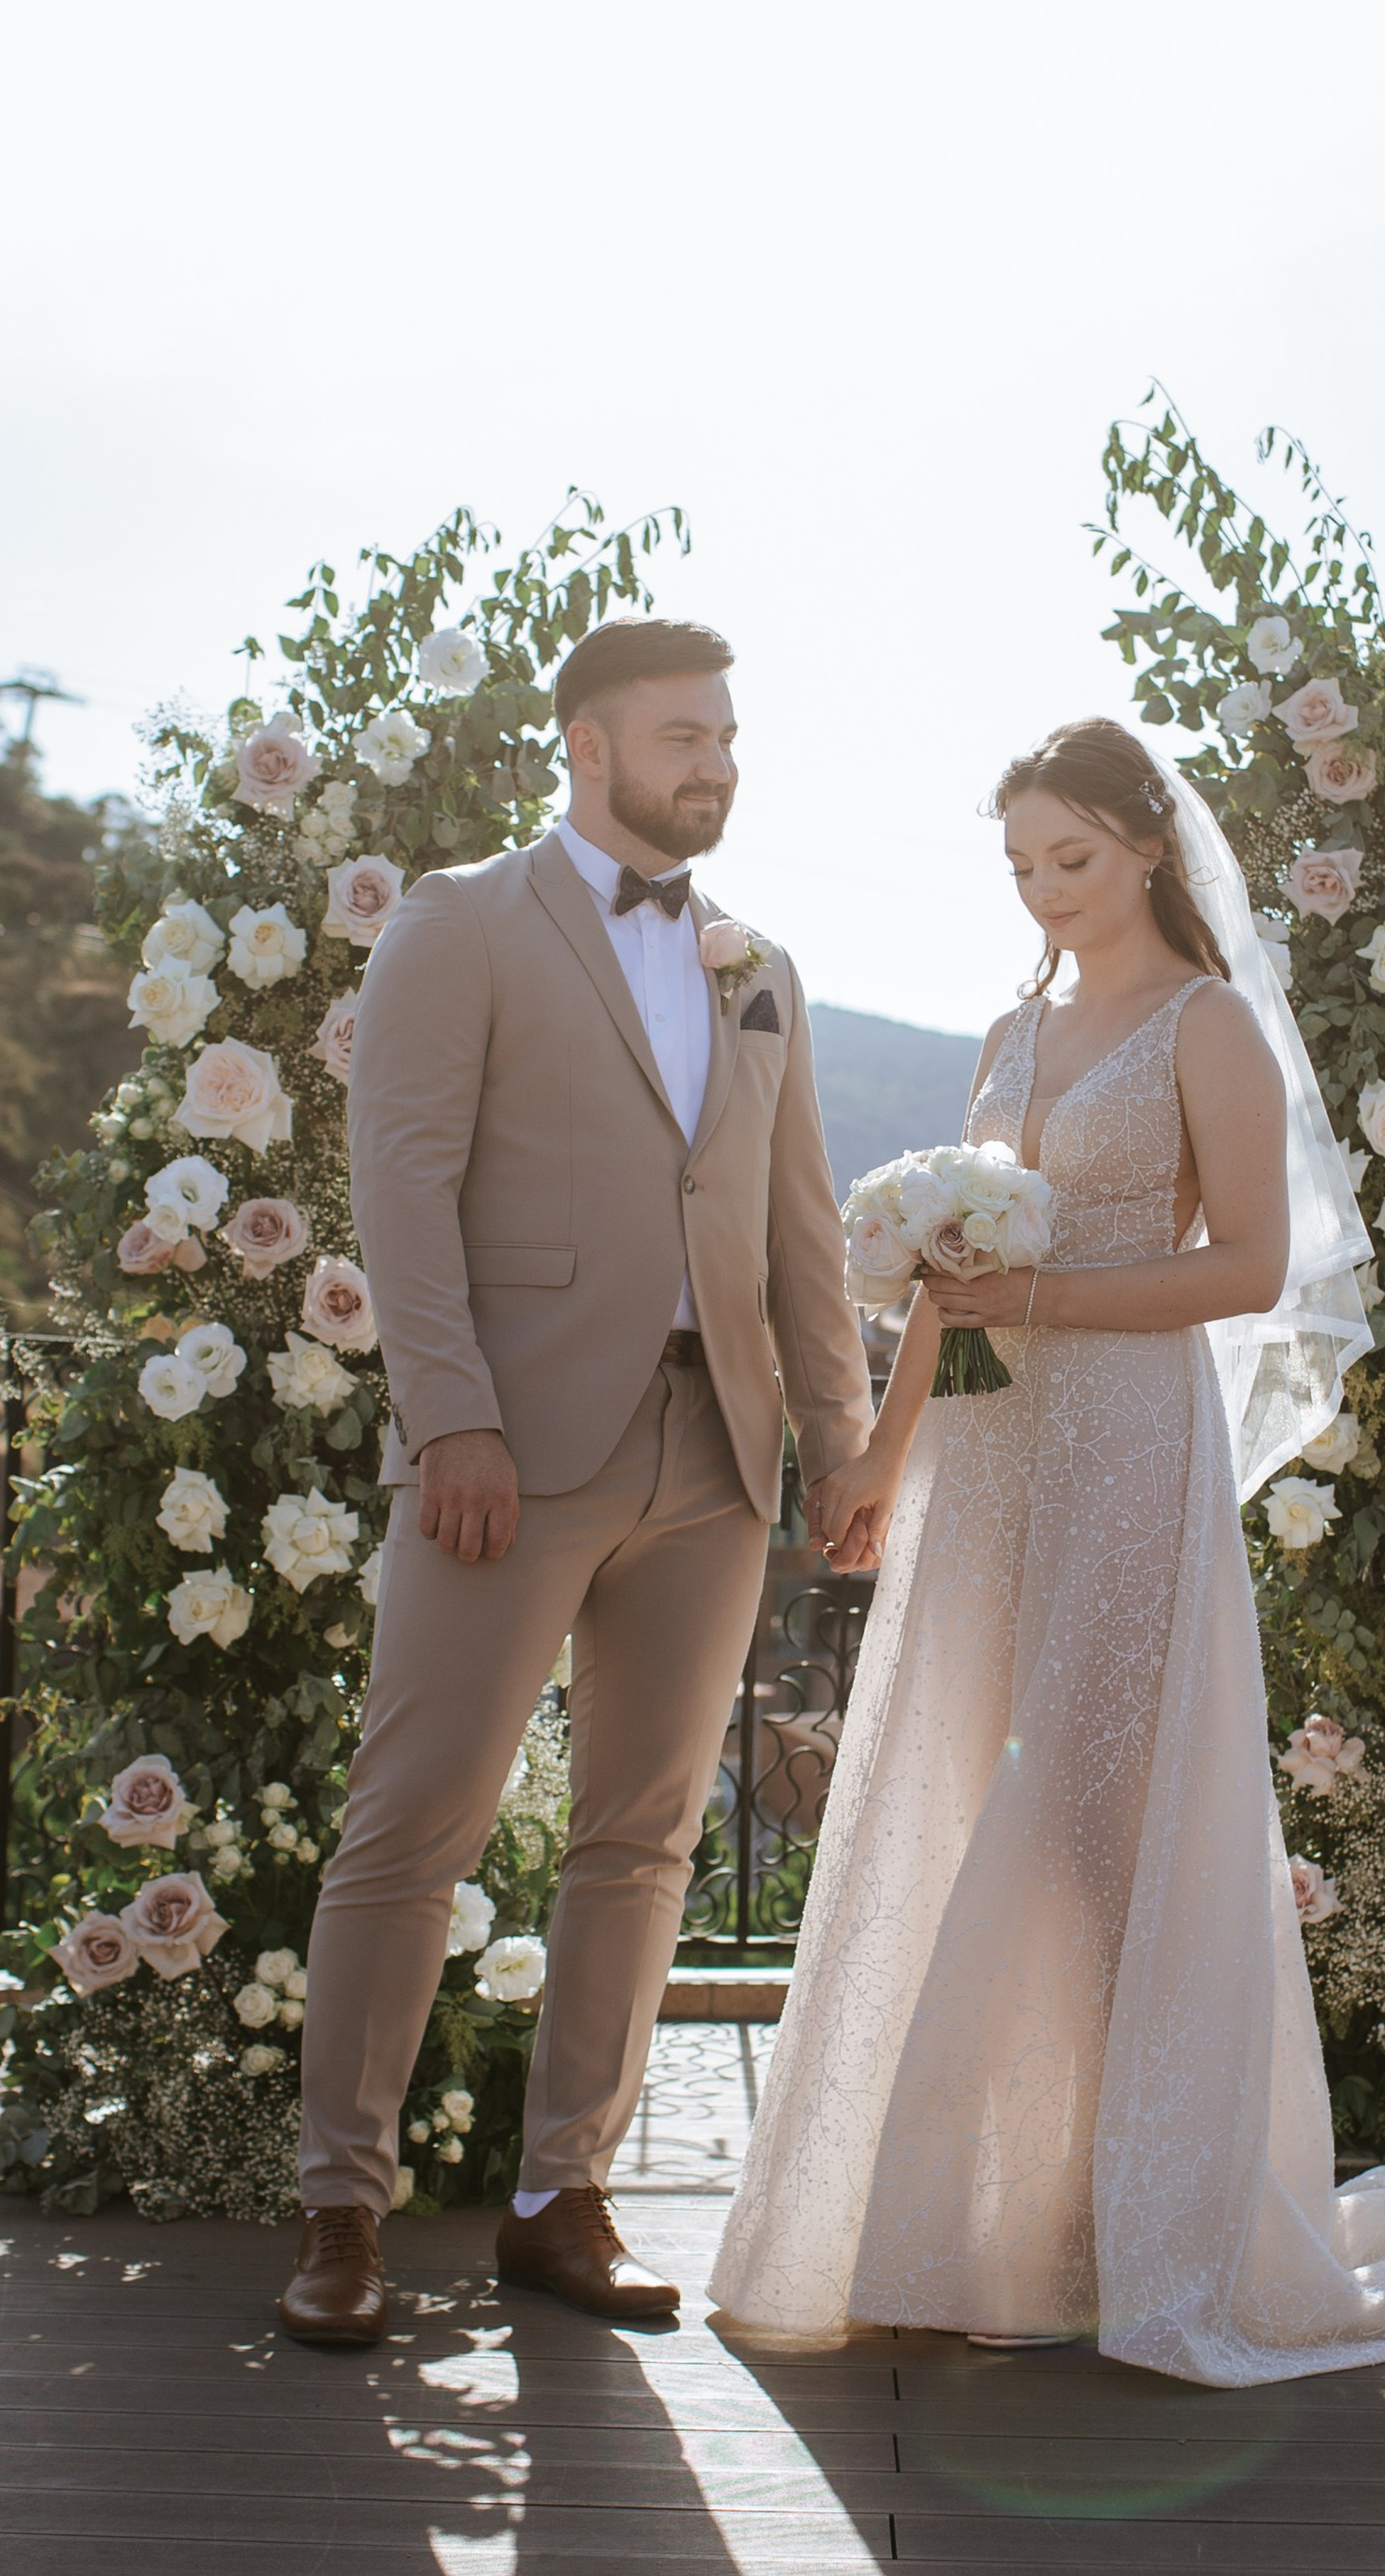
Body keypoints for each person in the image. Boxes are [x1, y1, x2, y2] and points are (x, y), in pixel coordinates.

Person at [711, 717, 1385, 2382]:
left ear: (1145, 847)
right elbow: (940, 1277)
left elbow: (1251, 1267)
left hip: (1130, 1443)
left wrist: (1039, 1297)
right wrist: (876, 1456)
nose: (1047, 893)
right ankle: (980, 2223)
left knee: (1104, 1815)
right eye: (1019, 869)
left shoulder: (1205, 1028)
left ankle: (1139, 2224)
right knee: (982, 1801)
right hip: (985, 1459)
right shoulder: (1005, 1032)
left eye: (1070, 858)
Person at [280, 617, 873, 2344]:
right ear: (586, 747)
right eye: (685, 736)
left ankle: (564, 2198)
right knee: (412, 1831)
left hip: (714, 1458)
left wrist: (834, 1443)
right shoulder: (461, 920)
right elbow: (400, 1175)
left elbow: (799, 1225)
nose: (718, 764)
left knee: (641, 1844)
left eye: (730, 737)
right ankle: (340, 2213)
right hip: (508, 1454)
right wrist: (448, 1413)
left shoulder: (758, 961)